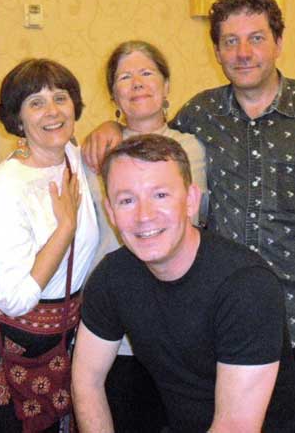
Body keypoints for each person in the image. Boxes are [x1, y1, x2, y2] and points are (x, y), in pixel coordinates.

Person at [82, 0, 295, 432]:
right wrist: (109, 124)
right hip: (219, 323)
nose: (244, 52)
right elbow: (153, 142)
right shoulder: (201, 115)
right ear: (218, 52)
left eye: (256, 37)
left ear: (278, 42)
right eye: (230, 41)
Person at [73, 134, 295, 433]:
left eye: (160, 195)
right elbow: (87, 381)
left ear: (191, 200)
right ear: (111, 213)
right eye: (127, 200)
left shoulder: (246, 287)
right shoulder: (112, 277)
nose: (144, 215)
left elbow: (235, 426)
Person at [0, 59, 99, 432]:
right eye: (36, 102)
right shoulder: (6, 185)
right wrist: (65, 227)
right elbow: (14, 299)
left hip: (60, 337)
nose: (52, 111)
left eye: (60, 98)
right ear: (18, 119)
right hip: (7, 347)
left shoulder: (76, 160)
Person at [85, 40, 207, 431]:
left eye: (146, 73)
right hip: (112, 315)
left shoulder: (189, 149)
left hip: (173, 317)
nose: (136, 83)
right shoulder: (96, 152)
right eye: (125, 77)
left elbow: (191, 223)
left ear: (167, 86)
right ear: (114, 94)